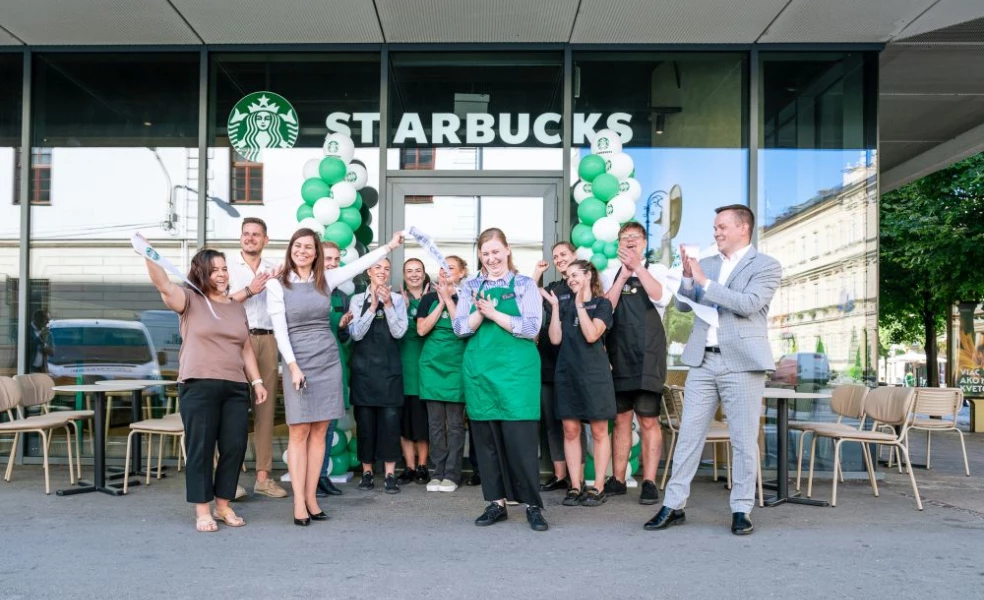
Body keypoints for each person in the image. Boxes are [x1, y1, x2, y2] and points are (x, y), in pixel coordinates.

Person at [645, 204, 781, 536]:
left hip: (743, 363)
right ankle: (674, 504)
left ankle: (741, 508)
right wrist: (689, 278)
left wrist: (705, 282)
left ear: (743, 228)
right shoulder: (705, 263)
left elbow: (748, 304)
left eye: (722, 227)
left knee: (744, 439)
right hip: (703, 360)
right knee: (689, 435)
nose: (716, 232)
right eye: (715, 227)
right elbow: (680, 305)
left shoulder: (766, 266)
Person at [267, 228, 405, 526]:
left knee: (320, 432)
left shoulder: (324, 279)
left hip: (327, 359)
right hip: (298, 359)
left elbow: (358, 265)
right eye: (298, 246)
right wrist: (292, 366)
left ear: (316, 253)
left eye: (308, 247)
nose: (302, 251)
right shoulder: (278, 284)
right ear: (290, 249)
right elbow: (280, 330)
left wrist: (390, 246)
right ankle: (299, 502)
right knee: (299, 432)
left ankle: (313, 499)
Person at [140, 239, 268, 533]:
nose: (222, 274)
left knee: (235, 447)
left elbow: (245, 347)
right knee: (201, 448)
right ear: (201, 273)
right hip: (198, 385)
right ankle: (202, 510)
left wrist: (257, 381)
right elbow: (162, 284)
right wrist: (148, 253)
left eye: (224, 269)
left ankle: (223, 504)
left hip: (235, 387)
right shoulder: (190, 300)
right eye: (214, 270)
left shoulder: (236, 306)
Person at [454, 228, 547, 532]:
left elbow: (533, 327)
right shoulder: (469, 286)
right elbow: (460, 328)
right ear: (479, 256)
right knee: (487, 441)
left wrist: (493, 314)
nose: (491, 258)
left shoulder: (524, 285)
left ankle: (533, 506)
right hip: (481, 370)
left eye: (496, 251)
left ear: (507, 250)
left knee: (520, 441)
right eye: (485, 253)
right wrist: (479, 315)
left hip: (517, 373)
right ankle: (496, 503)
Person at [602, 222, 671, 505]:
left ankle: (650, 482)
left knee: (648, 419)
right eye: (624, 238)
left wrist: (638, 269)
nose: (629, 241)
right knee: (620, 420)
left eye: (635, 237)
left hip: (648, 356)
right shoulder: (608, 273)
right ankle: (618, 479)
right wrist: (622, 276)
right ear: (618, 244)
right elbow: (607, 308)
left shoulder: (658, 271)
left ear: (643, 242)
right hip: (619, 354)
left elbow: (661, 296)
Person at [543, 259, 616, 508]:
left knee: (598, 431)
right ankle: (575, 486)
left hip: (594, 376)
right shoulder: (564, 305)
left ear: (589, 276)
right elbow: (555, 339)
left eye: (576, 274)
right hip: (567, 374)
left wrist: (581, 306)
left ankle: (598, 486)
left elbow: (592, 334)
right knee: (570, 431)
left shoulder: (603, 304)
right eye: (569, 276)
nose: (571, 279)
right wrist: (554, 308)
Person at [227, 217, 288, 500]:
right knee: (233, 412)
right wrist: (250, 289)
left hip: (267, 339)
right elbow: (217, 303)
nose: (250, 238)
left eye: (256, 234)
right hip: (235, 339)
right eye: (246, 234)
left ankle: (263, 477)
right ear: (240, 237)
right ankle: (228, 480)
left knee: (264, 412)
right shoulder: (225, 266)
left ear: (266, 239)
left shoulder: (274, 269)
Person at [349, 257, 408, 495]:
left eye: (386, 269)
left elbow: (399, 331)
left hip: (389, 373)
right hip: (364, 373)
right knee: (365, 426)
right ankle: (367, 472)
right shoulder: (356, 300)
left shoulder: (396, 300)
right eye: (378, 268)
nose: (382, 272)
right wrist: (373, 307)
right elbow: (356, 334)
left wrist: (389, 305)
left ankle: (390, 474)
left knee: (390, 425)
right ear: (368, 271)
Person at [532, 242, 586, 492]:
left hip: (574, 361)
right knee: (552, 423)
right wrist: (537, 274)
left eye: (563, 254)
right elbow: (530, 298)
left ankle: (579, 477)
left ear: (575, 256)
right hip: (548, 361)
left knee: (572, 421)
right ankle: (559, 474)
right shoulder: (553, 287)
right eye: (555, 257)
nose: (559, 259)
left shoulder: (581, 283)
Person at [417, 256, 468, 493]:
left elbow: (462, 330)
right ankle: (437, 472)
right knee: (435, 424)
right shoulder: (427, 298)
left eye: (451, 268)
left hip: (456, 365)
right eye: (442, 267)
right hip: (431, 367)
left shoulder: (467, 297)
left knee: (456, 425)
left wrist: (449, 299)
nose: (445, 272)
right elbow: (421, 329)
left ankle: (452, 473)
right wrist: (439, 302)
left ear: (461, 273)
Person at [315, 241, 353, 498]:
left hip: (334, 364)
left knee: (328, 425)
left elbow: (345, 338)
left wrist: (342, 327)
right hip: (310, 365)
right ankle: (307, 476)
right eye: (327, 258)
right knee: (308, 426)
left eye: (336, 259)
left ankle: (321, 476)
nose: (331, 264)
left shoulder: (341, 296)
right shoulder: (306, 291)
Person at [396, 258, 431, 485]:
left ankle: (422, 466)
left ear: (424, 273)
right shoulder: (397, 299)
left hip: (426, 365)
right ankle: (409, 466)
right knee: (404, 421)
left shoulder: (433, 297)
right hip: (402, 364)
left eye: (418, 270)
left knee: (422, 421)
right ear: (404, 275)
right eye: (409, 271)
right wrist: (403, 308)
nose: (414, 275)